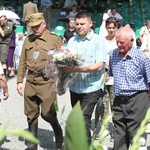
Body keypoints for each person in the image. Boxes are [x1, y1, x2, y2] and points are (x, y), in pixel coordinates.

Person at [17, 13, 63, 150]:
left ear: (44, 24)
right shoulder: (28, 40)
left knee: (48, 113)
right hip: (31, 80)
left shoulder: (54, 39)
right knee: (30, 114)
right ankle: (32, 144)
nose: (35, 29)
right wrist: (19, 81)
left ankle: (58, 131)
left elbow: (63, 60)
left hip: (47, 82)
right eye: (32, 27)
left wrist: (61, 80)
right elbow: (22, 62)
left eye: (37, 26)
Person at [63, 11, 107, 144]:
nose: (79, 26)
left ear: (90, 23)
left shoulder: (99, 41)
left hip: (92, 88)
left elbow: (99, 66)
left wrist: (77, 69)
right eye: (77, 24)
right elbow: (67, 62)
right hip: (75, 88)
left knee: (83, 119)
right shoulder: (72, 41)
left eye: (82, 24)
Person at [109, 26, 150, 150]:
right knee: (119, 134)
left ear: (132, 41)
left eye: (122, 42)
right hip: (119, 100)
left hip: (137, 99)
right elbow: (111, 74)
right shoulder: (113, 54)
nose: (119, 45)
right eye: (117, 42)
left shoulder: (142, 57)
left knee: (136, 134)